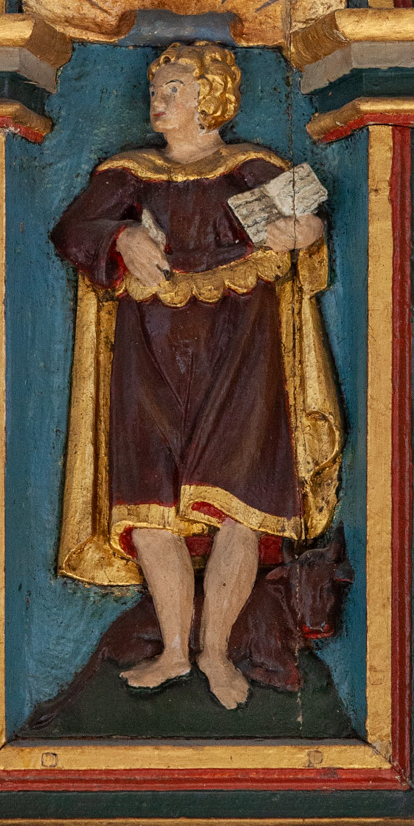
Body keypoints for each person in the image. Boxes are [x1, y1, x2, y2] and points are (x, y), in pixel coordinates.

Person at [51, 41, 341, 710]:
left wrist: (301, 232)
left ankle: (215, 651)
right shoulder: (128, 174)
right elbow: (74, 231)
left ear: (210, 99)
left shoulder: (251, 169)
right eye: (157, 90)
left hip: (241, 349)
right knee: (147, 499)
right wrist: (121, 238)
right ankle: (175, 651)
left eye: (175, 89)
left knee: (238, 497)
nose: (159, 100)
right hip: (146, 351)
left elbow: (309, 224)